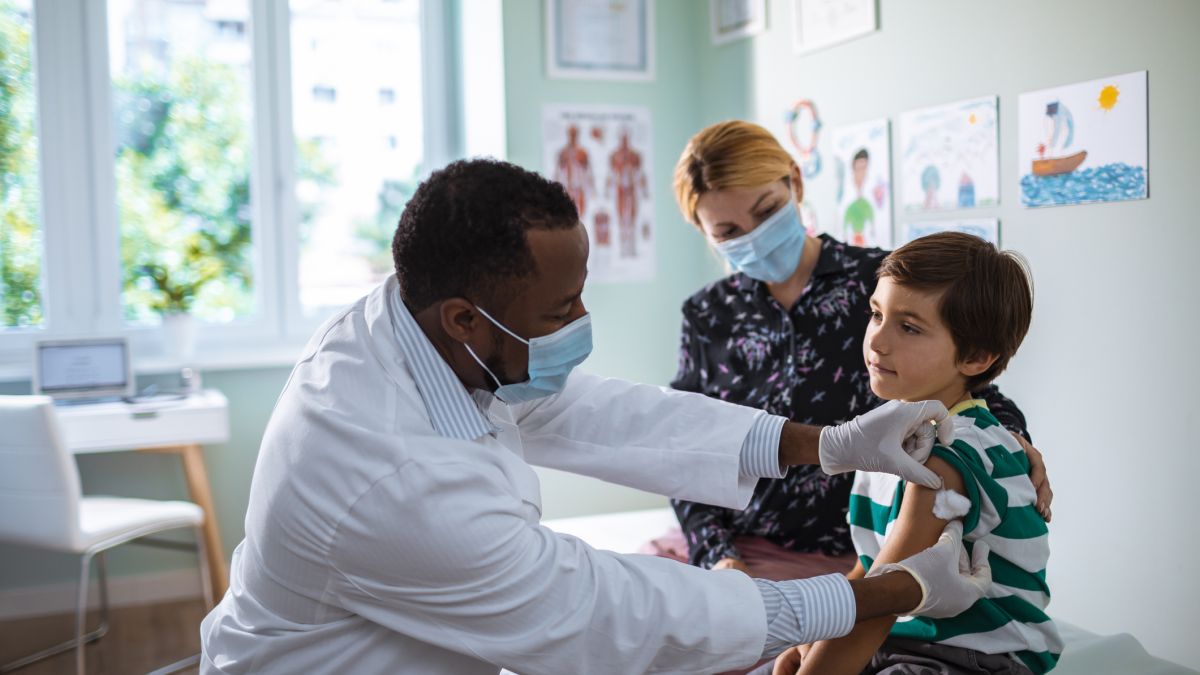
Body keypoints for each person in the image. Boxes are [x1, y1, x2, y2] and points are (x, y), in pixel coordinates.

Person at [199, 158, 992, 675]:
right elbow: (601, 611)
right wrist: (873, 595)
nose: (582, 320)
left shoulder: (408, 322)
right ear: (465, 319)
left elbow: (600, 413)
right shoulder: (389, 476)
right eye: (560, 309)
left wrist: (829, 444)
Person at [668, 121, 1051, 577]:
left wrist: (1011, 442)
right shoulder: (708, 315)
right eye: (729, 231)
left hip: (864, 551)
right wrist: (719, 557)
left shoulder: (883, 285)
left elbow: (971, 390)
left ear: (795, 180)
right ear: (702, 231)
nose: (754, 235)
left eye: (767, 209)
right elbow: (685, 450)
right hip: (741, 552)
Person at [771, 232, 1062, 675]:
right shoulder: (888, 438)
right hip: (906, 642)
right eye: (876, 314)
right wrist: (815, 639)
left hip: (979, 656)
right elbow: (870, 566)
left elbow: (886, 595)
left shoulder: (949, 454)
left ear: (978, 357)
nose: (877, 342)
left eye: (908, 327)